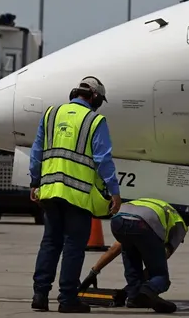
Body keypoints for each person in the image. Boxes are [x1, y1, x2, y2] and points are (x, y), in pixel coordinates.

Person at [30, 76, 123, 313]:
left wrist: (34, 182)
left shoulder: (51, 114)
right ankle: (67, 299)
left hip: (49, 191)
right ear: (94, 97)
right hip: (77, 196)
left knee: (50, 243)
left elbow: (36, 151)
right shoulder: (94, 120)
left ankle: (40, 296)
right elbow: (103, 160)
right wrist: (114, 191)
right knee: (73, 247)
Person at [105, 198, 188, 313]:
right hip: (143, 224)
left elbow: (116, 247)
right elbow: (165, 254)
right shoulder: (180, 223)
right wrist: (150, 280)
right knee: (161, 277)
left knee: (131, 259)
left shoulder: (153, 203)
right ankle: (147, 291)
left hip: (117, 220)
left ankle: (134, 297)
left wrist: (94, 271)